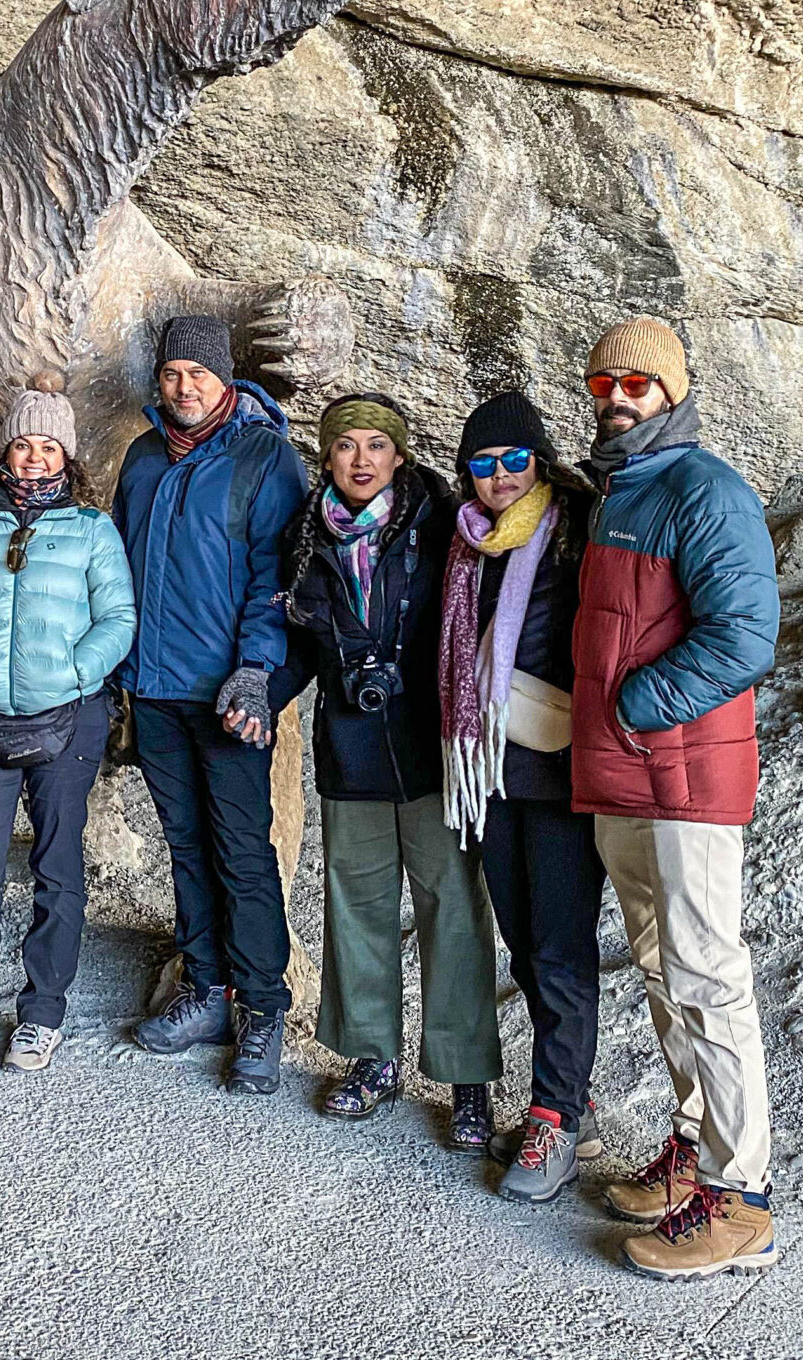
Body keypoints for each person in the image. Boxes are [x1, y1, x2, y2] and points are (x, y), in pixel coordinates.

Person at [570, 318, 782, 1279]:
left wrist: (638, 704)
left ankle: (743, 1199)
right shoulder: (617, 489)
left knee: (706, 972)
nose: (618, 396)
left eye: (639, 383)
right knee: (661, 970)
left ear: (673, 392)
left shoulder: (707, 491)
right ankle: (693, 1157)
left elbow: (743, 635)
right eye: (605, 380)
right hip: (626, 771)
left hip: (684, 775)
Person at [274, 395, 500, 1128]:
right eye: (347, 446)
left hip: (436, 752)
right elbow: (302, 648)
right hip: (350, 748)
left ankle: (466, 1075)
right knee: (357, 906)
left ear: (400, 456)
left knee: (454, 910)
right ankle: (373, 1056)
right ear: (327, 457)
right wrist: (257, 693)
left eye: (377, 445)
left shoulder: (441, 526)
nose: (362, 460)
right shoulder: (308, 538)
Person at [115, 314, 309, 1094]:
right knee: (186, 845)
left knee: (242, 851)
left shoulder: (265, 457)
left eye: (198, 373)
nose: (184, 386)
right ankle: (206, 986)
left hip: (230, 695)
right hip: (156, 688)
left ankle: (263, 1007)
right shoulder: (141, 459)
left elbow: (279, 578)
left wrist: (257, 672)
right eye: (172, 374)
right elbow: (122, 570)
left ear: (224, 378)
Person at [0, 379, 136, 1071]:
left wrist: (78, 677)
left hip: (68, 716)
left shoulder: (90, 528)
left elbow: (118, 618)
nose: (33, 457)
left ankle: (43, 1012)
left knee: (56, 868)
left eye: (48, 446)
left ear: (66, 456)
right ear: (6, 452)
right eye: (23, 444)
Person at [439, 390, 603, 1203]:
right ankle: (565, 1096)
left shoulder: (575, 526)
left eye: (513, 460)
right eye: (482, 463)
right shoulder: (468, 540)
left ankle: (554, 1118)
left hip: (564, 767)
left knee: (562, 947)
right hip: (489, 773)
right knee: (525, 943)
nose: (499, 476)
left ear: (538, 461)